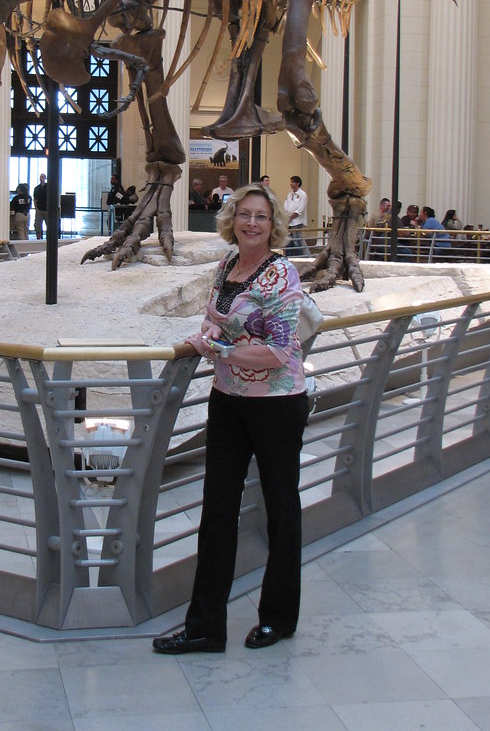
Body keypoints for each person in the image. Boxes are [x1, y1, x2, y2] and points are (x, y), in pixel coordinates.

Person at [153, 182, 307, 655]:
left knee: (280, 507)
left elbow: (280, 351)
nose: (252, 223)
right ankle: (204, 626)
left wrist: (217, 347)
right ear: (232, 219)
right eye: (245, 214)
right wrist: (207, 334)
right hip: (228, 398)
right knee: (216, 509)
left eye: (261, 216)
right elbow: (214, 318)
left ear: (273, 223)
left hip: (277, 404)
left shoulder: (282, 274)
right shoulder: (226, 265)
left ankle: (278, 617)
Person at [284, 175, 309, 257]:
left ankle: (299, 257)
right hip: (288, 222)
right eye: (290, 182)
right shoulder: (289, 194)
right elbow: (286, 205)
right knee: (288, 242)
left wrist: (290, 218)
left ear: (297, 183)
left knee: (296, 241)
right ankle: (289, 258)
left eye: (292, 182)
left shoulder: (303, 194)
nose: (290, 184)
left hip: (297, 222)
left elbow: (300, 209)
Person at [33, 173, 48, 239]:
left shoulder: (49, 187)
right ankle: (39, 238)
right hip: (39, 209)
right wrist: (36, 208)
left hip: (47, 209)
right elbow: (35, 199)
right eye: (40, 177)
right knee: (38, 225)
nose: (41, 178)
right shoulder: (37, 188)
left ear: (45, 178)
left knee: (49, 225)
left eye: (42, 177)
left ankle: (49, 238)